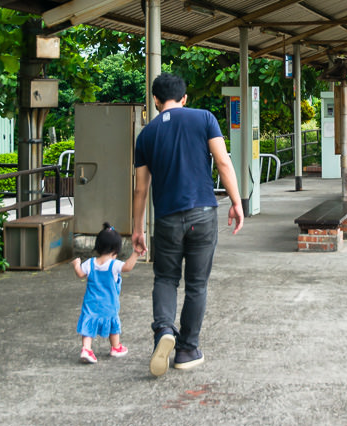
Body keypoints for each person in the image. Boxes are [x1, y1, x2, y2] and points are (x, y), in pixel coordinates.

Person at [132, 73, 244, 377]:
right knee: (197, 284)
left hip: (167, 218)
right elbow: (223, 162)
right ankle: (187, 349)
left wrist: (138, 228)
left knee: (166, 279)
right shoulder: (204, 118)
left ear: (155, 101)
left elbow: (141, 189)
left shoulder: (146, 135)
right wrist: (236, 201)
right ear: (184, 98)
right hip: (203, 214)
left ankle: (163, 331)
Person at [71, 222, 139, 363]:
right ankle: (115, 347)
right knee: (113, 324)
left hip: (91, 303)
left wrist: (76, 264)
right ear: (116, 249)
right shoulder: (114, 265)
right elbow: (127, 267)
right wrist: (136, 254)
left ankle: (86, 349)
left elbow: (79, 274)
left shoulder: (89, 263)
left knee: (88, 324)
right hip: (109, 304)